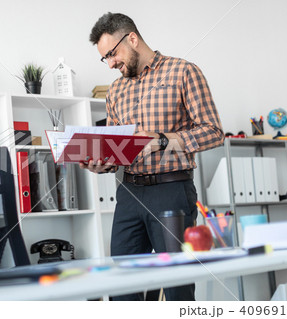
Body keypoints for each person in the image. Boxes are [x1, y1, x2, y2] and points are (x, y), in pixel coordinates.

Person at [81, 12, 225, 301]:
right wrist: (102, 163)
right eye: (104, 58)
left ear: (132, 38)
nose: (110, 63)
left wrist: (160, 141)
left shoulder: (183, 72)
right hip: (128, 194)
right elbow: (117, 147)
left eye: (112, 53)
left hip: (171, 192)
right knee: (122, 287)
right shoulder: (116, 90)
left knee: (176, 287)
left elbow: (213, 132)